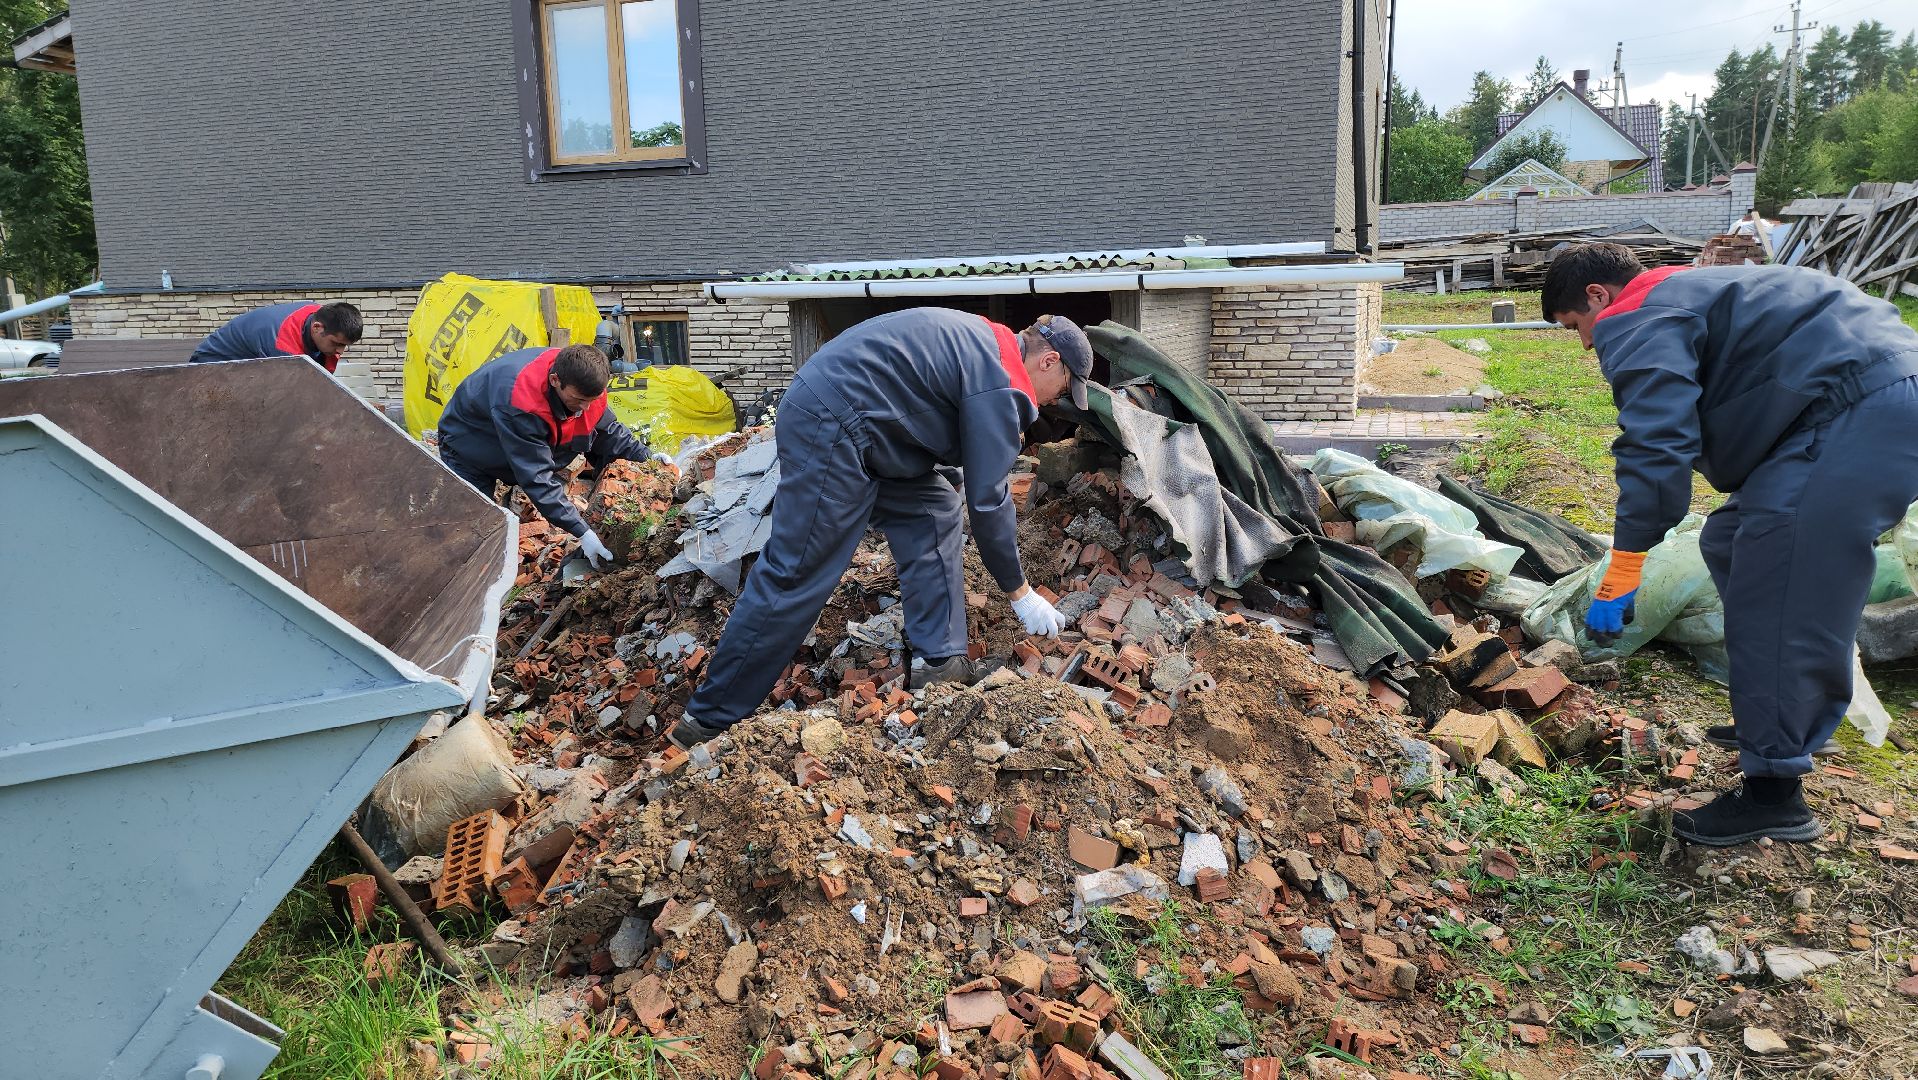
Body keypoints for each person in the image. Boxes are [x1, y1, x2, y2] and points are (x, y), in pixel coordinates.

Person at [1542, 243, 1918, 846]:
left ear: (1597, 296)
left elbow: (1656, 443)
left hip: (1858, 413)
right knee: (1732, 540)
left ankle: (1775, 794)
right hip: (1854, 404)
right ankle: (1782, 719)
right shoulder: (1696, 290)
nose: (1585, 344)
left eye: (1574, 327)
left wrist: (1627, 562)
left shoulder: (1638, 314)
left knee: (1780, 586)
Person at [670, 307, 1093, 749]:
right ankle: (708, 719)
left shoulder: (990, 343)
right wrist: (1020, 594)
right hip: (834, 423)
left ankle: (940, 663)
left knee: (933, 506)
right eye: (1063, 388)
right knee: (798, 571)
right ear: (1048, 362)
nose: (1051, 401)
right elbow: (989, 501)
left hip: (861, 424)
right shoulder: (1001, 381)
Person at [436, 343, 651, 568]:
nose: (585, 408)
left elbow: (609, 434)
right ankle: (460, 577)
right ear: (555, 380)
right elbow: (537, 477)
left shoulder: (585, 383)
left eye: (592, 400)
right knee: (471, 526)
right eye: (578, 400)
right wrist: (583, 532)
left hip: (511, 431)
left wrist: (651, 459)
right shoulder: (522, 402)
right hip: (470, 443)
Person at [190, 300, 363, 371]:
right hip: (210, 369)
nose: (341, 351)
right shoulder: (283, 347)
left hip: (250, 368)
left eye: (345, 345)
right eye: (336, 343)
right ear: (317, 328)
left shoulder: (320, 315)